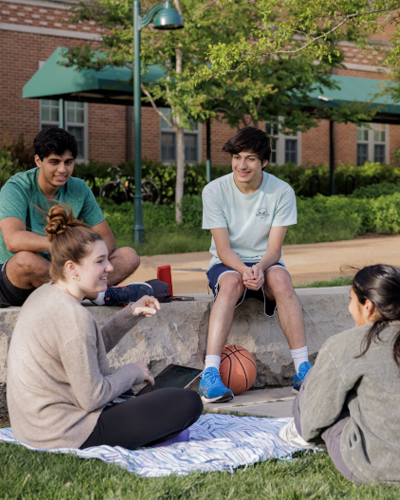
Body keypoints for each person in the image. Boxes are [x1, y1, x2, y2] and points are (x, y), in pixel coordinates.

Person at [7, 205, 203, 450]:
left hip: (36, 428)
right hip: (65, 433)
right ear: (72, 269)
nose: (110, 268)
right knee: (188, 402)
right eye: (100, 261)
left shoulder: (46, 294)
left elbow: (84, 347)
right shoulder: (73, 316)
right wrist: (132, 372)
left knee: (136, 397)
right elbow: (92, 398)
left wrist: (131, 312)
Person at [199, 127, 310, 403]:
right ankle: (210, 373)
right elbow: (223, 249)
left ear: (264, 161)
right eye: (237, 157)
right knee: (232, 282)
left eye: (250, 158)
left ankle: (303, 370)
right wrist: (243, 270)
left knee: (282, 281)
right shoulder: (214, 190)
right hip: (227, 263)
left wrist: (259, 267)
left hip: (267, 262)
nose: (242, 165)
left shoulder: (282, 191)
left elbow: (274, 249)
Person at [0, 127, 150, 307]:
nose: (62, 170)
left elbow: (106, 237)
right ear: (38, 161)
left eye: (68, 162)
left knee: (129, 256)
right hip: (20, 282)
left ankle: (83, 291)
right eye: (54, 162)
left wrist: (83, 260)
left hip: (66, 272)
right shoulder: (17, 188)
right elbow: (13, 239)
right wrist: (66, 247)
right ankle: (96, 295)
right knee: (25, 260)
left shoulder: (79, 188)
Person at [280, 264, 400, 484]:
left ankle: (293, 434)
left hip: (374, 467)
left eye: (351, 299)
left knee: (313, 385)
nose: (349, 308)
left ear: (368, 306)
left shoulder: (347, 344)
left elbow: (313, 421)